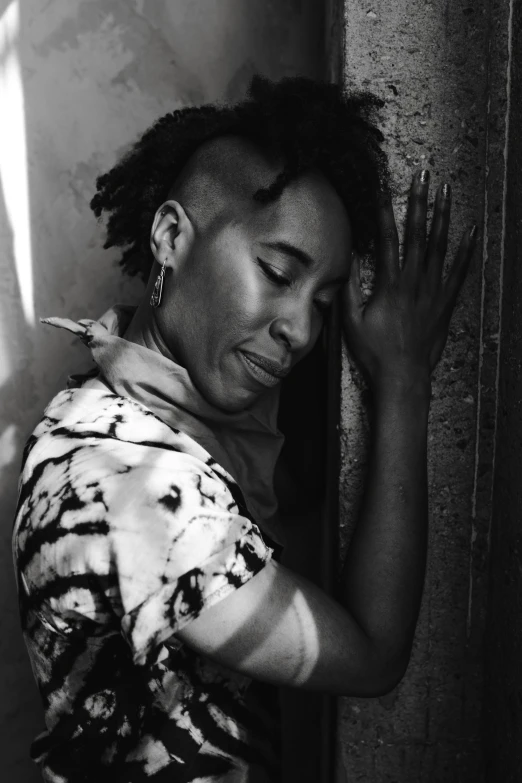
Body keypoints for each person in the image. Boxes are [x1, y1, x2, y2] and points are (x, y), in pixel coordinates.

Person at [12, 76, 477, 783]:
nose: (300, 330)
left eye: (323, 302)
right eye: (275, 271)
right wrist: (405, 383)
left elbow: (275, 491)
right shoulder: (136, 488)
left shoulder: (111, 413)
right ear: (171, 236)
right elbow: (374, 653)